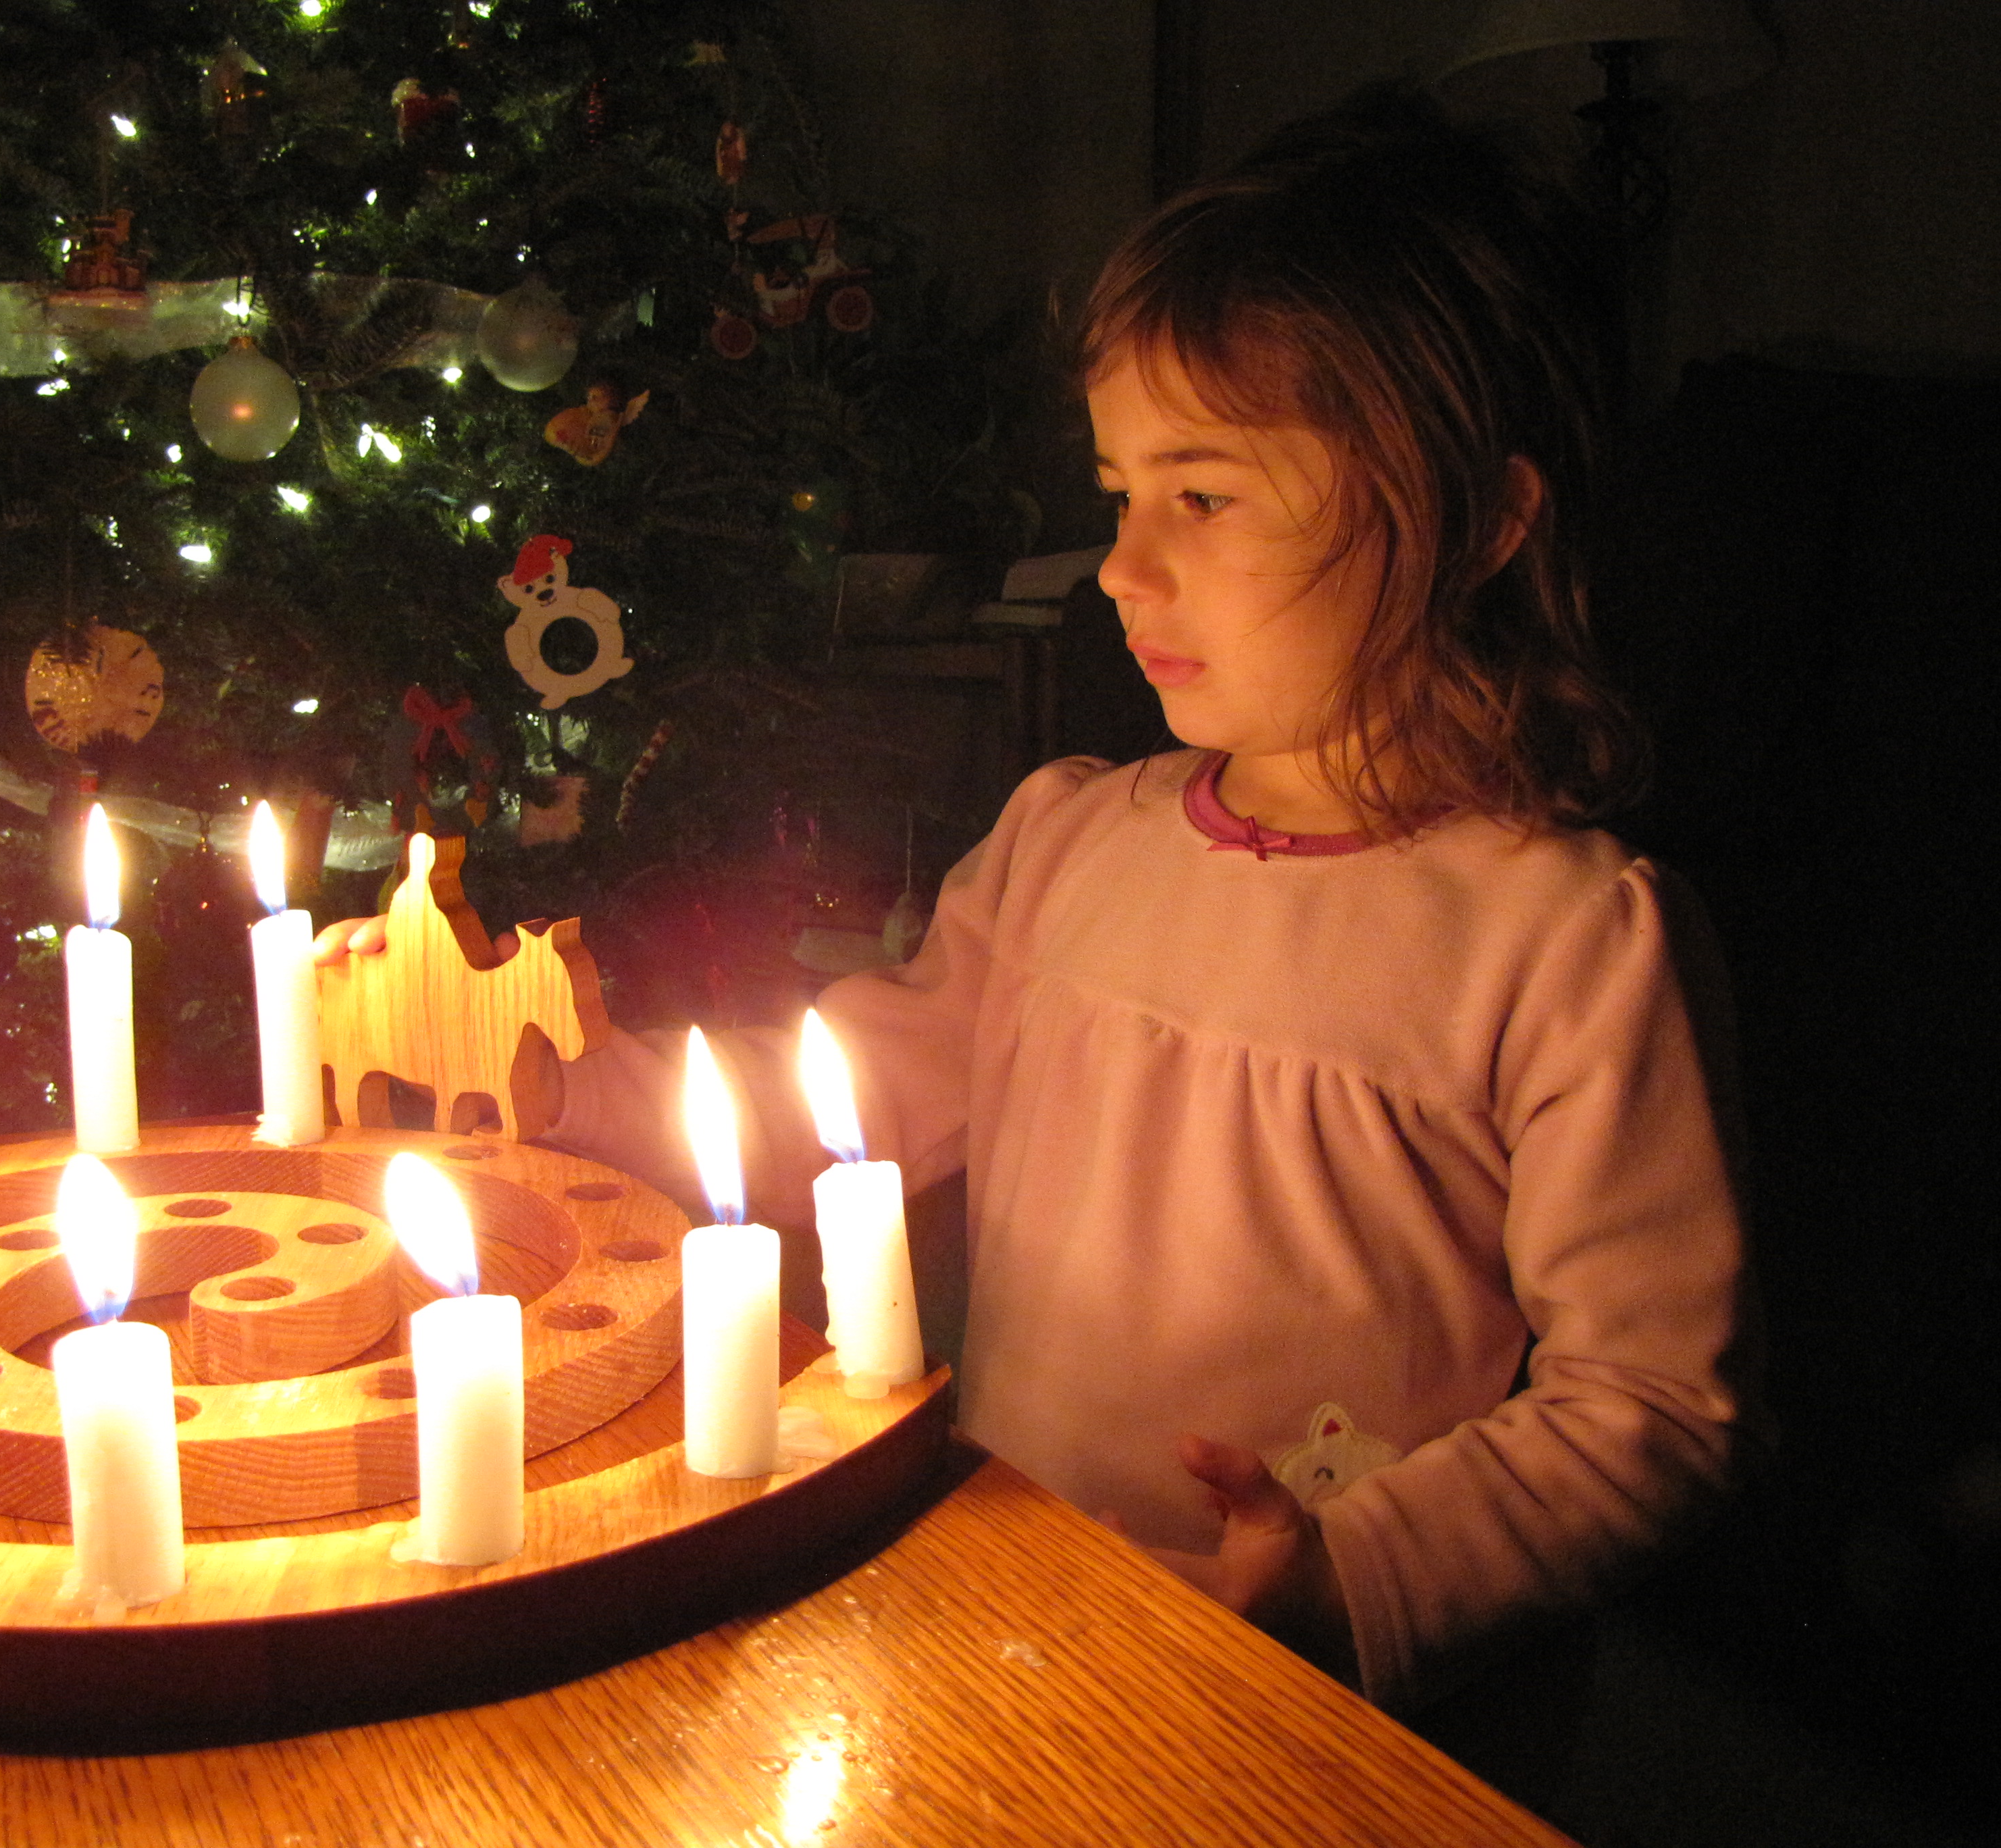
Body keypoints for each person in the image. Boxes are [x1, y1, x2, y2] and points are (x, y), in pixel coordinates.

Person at [322, 90, 1750, 1759]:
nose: (1123, 567)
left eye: (1204, 498)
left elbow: (1653, 1402)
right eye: (1120, 491)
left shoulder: (1566, 944)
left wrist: (1354, 1575)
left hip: (1315, 1719)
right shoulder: (1072, 840)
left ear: (1478, 523)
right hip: (1009, 1615)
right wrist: (558, 1077)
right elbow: (841, 1104)